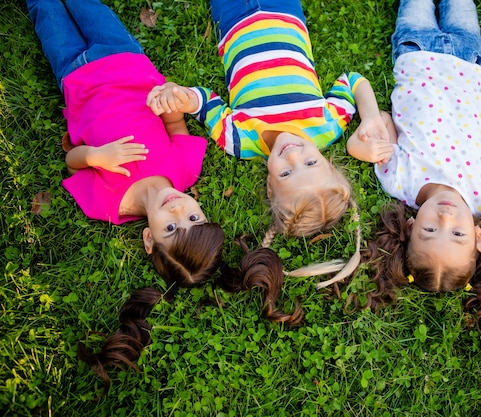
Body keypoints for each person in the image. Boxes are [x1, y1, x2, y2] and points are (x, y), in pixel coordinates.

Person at [26, 0, 302, 394]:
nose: (179, 209)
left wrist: (96, 156)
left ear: (149, 238)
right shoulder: (185, 171)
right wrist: (167, 98)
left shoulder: (108, 205)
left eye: (171, 227)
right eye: (194, 218)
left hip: (74, 77)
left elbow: (73, 163)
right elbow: (173, 121)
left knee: (47, 13)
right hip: (125, 60)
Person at [146, 0, 392, 284]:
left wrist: (184, 97)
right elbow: (353, 81)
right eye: (311, 162)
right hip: (285, 11)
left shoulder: (239, 139)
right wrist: (370, 117)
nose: (293, 156)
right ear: (326, 161)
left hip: (234, 22)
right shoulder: (327, 124)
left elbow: (204, 104)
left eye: (286, 173)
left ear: (270, 185)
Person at [347, 0, 481, 334]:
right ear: (478, 238)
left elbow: (380, 122)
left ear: (411, 227)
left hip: (415, 50)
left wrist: (360, 147)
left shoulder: (399, 180)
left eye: (430, 231)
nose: (445, 218)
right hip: (468, 59)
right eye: (458, 234)